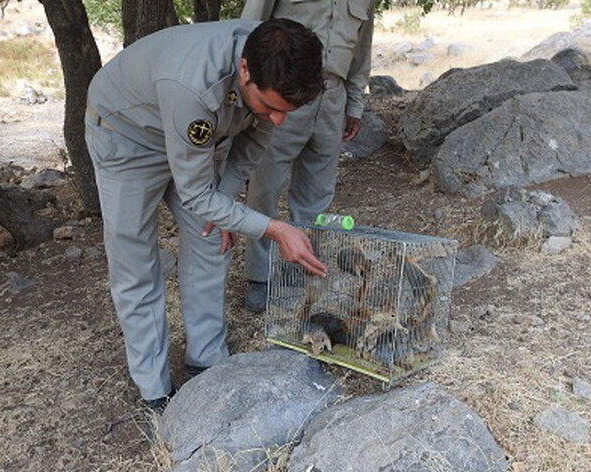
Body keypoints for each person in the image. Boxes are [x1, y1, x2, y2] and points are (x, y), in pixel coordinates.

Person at [85, 18, 328, 412]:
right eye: (269, 107)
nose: (280, 119)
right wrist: (274, 229)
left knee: (210, 236)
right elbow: (195, 192)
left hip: (191, 143)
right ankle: (155, 389)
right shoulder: (194, 85)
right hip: (129, 136)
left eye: (288, 111)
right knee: (135, 260)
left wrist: (227, 207)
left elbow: (252, 142)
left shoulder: (279, 62)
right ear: (244, 70)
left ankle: (206, 362)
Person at [240, 0, 375, 312]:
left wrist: (354, 104)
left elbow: (362, 50)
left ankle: (301, 269)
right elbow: (247, 29)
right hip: (283, 89)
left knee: (318, 190)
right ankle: (260, 276)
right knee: (265, 186)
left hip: (332, 94)